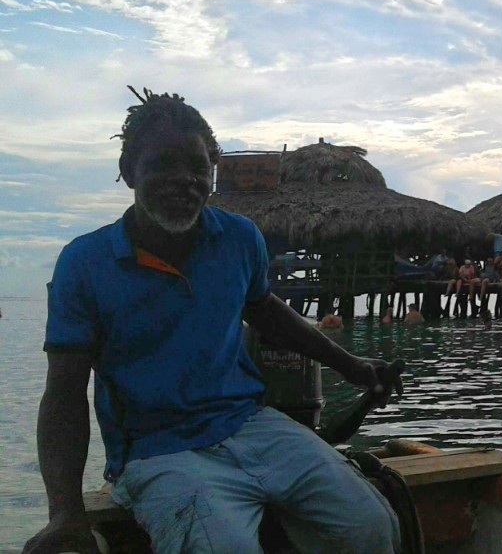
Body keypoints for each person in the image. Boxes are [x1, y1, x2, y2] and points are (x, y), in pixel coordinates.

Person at [26, 88, 401, 554]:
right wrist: (65, 514)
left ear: (212, 172)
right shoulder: (85, 262)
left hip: (251, 423)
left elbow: (264, 309)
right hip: (156, 450)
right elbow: (63, 393)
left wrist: (351, 366)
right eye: (162, 164)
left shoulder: (239, 238)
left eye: (198, 167)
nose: (184, 180)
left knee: (372, 525)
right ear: (128, 173)